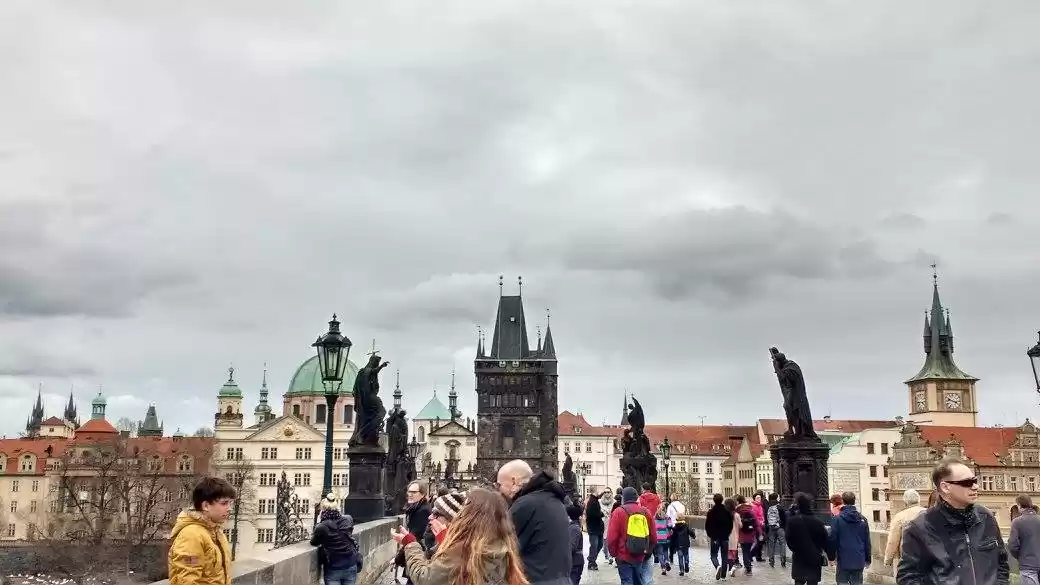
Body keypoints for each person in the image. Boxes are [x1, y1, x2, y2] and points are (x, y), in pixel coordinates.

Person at [898, 460, 1009, 585]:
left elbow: (1001, 564)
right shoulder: (920, 527)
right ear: (945, 487)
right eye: (967, 482)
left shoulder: (985, 517)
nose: (975, 486)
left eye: (975, 480)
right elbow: (908, 578)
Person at [393, 487, 529, 585]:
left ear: (472, 515)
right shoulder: (501, 545)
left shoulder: (462, 549)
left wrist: (411, 544)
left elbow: (426, 579)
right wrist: (446, 541)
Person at [496, 460, 573, 585]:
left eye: (500, 484)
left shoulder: (524, 505)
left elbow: (502, 548)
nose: (499, 491)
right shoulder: (552, 499)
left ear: (514, 481)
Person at [168, 477, 236, 585]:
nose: (229, 508)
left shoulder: (216, 531)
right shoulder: (191, 535)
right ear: (206, 506)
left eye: (230, 503)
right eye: (224, 503)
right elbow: (186, 581)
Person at [606, 486, 657, 585]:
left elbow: (612, 538)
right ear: (636, 498)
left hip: (623, 555)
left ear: (623, 498)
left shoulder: (618, 512)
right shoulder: (646, 512)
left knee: (627, 581)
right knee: (638, 581)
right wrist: (648, 551)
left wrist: (613, 553)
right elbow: (654, 536)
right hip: (640, 554)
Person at [310, 495, 361, 585]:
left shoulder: (321, 527)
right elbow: (349, 531)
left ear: (322, 510)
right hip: (351, 563)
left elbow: (314, 542)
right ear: (337, 508)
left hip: (333, 566)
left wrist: (318, 522)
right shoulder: (348, 519)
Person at [784, 492, 829, 585]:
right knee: (812, 581)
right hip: (814, 557)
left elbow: (789, 539)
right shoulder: (817, 522)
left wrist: (795, 549)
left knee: (799, 580)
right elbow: (824, 539)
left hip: (799, 556)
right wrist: (822, 550)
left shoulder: (792, 521)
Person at [828, 492, 870, 585]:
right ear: (854, 501)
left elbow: (832, 539)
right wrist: (868, 559)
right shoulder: (862, 519)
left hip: (843, 558)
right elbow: (866, 541)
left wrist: (831, 557)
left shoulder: (837, 519)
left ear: (843, 501)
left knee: (842, 582)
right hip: (859, 557)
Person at [883, 489, 925, 577]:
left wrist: (888, 559)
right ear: (918, 500)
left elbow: (893, 541)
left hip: (906, 558)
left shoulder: (900, 516)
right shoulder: (929, 513)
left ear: (905, 501)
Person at [397, 481, 433, 580]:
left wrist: (398, 558)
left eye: (414, 492)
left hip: (420, 556)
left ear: (422, 494)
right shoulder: (416, 508)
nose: (410, 494)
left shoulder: (422, 511)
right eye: (409, 491)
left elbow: (414, 538)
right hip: (419, 554)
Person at [1009, 494, 1040, 585]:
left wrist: (1020, 557)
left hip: (1027, 566)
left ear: (1019, 505)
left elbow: (1013, 545)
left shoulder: (1017, 522)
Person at [706, 493, 734, 576]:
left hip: (715, 537)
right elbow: (730, 525)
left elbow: (708, 525)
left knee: (713, 555)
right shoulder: (727, 511)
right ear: (722, 500)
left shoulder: (711, 512)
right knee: (724, 556)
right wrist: (727, 534)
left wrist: (711, 535)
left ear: (714, 501)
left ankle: (717, 566)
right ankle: (723, 575)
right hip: (725, 537)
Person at [735, 495, 761, 575]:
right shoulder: (751, 510)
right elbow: (756, 523)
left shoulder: (737, 511)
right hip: (750, 534)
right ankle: (748, 565)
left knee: (745, 551)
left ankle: (748, 567)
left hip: (741, 534)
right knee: (748, 550)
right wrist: (760, 533)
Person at [765, 492, 788, 568]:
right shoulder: (780, 507)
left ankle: (771, 562)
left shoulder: (767, 506)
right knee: (782, 543)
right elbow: (784, 518)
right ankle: (783, 561)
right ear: (776, 498)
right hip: (780, 527)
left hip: (771, 527)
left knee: (771, 545)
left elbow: (765, 518)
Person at [586, 490, 606, 571]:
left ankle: (591, 558)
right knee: (595, 545)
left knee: (600, 544)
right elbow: (592, 514)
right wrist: (601, 514)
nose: (599, 494)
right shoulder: (592, 502)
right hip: (593, 528)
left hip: (598, 527)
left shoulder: (595, 501)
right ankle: (591, 562)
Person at [567, 504, 585, 585]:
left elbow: (571, 547)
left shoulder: (573, 527)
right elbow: (572, 547)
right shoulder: (574, 528)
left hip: (575, 562)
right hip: (575, 562)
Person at [653, 503, 671, 574]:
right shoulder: (667, 517)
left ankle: (663, 568)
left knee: (660, 554)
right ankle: (667, 561)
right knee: (665, 551)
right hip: (665, 537)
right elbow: (670, 525)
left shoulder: (654, 518)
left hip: (657, 538)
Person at [726, 498, 741, 579]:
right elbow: (740, 525)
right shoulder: (736, 515)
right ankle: (731, 568)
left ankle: (730, 569)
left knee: (727, 554)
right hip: (735, 537)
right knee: (732, 554)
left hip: (726, 537)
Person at [752, 492, 767, 562]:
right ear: (754, 499)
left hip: (762, 525)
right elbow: (755, 517)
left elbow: (762, 516)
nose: (759, 499)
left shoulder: (760, 506)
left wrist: (763, 521)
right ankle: (751, 555)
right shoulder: (754, 506)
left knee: (760, 541)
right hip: (757, 526)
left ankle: (757, 556)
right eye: (757, 498)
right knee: (760, 541)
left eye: (760, 497)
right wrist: (761, 522)